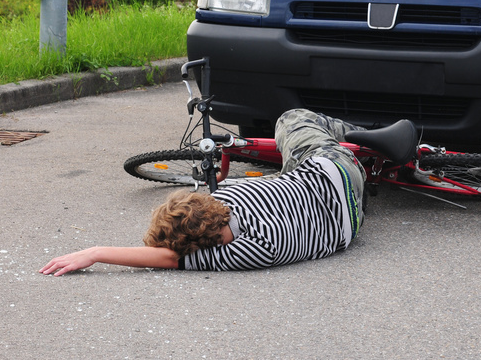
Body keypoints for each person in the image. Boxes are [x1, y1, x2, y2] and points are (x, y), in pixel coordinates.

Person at [39, 109, 366, 275]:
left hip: (350, 221)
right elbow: (170, 254)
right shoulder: (233, 192)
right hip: (331, 169)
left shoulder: (253, 250)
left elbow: (168, 259)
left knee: (289, 173)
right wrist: (94, 250)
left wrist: (96, 254)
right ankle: (370, 137)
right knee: (292, 119)